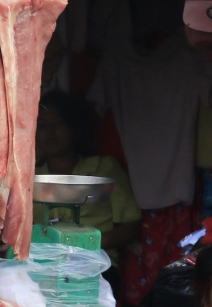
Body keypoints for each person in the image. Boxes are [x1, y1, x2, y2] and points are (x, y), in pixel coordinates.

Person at [34, 90, 142, 252]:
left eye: (58, 123)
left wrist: (89, 244)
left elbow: (130, 225)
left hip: (97, 262)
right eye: (42, 126)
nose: (49, 133)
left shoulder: (105, 168)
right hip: (43, 262)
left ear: (75, 129)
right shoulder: (29, 178)